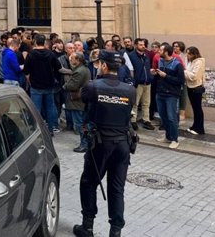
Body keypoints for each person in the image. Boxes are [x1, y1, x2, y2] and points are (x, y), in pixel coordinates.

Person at [74, 51, 136, 237]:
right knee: (117, 188)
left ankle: (88, 226)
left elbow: (82, 98)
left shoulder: (93, 86)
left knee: (89, 182)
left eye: (99, 63)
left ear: (104, 65)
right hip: (122, 144)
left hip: (100, 145)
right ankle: (115, 232)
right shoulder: (129, 90)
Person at [24, 34, 62, 135]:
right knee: (50, 107)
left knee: (36, 109)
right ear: (44, 42)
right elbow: (58, 66)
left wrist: (29, 80)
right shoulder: (50, 54)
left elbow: (26, 71)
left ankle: (38, 131)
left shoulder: (31, 54)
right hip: (49, 84)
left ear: (35, 42)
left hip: (36, 85)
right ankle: (51, 129)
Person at [152, 42, 185, 149]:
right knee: (163, 117)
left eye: (161, 50)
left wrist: (166, 76)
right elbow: (159, 77)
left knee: (172, 118)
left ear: (166, 52)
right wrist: (155, 73)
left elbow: (180, 80)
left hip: (171, 94)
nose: (158, 52)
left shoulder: (177, 64)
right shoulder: (160, 61)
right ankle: (167, 136)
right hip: (160, 93)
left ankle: (175, 139)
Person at [63, 51, 91, 152]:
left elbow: (72, 85)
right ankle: (86, 143)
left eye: (72, 58)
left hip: (77, 101)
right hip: (81, 100)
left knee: (80, 123)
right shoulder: (84, 69)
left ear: (78, 60)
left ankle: (84, 144)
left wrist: (65, 85)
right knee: (83, 122)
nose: (70, 60)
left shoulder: (79, 71)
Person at [128, 38, 154, 131]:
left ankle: (146, 120)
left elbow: (148, 67)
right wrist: (134, 81)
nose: (143, 46)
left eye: (143, 45)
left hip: (147, 82)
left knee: (146, 103)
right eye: (140, 45)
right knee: (135, 103)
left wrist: (151, 75)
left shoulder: (146, 55)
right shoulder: (131, 56)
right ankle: (133, 120)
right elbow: (130, 70)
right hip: (138, 83)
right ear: (136, 45)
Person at [184, 46, 206, 135]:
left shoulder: (199, 62)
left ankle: (200, 128)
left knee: (197, 108)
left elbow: (194, 76)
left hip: (196, 87)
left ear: (194, 54)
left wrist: (184, 71)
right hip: (189, 87)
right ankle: (195, 126)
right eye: (187, 53)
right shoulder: (189, 61)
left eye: (189, 53)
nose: (187, 55)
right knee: (194, 107)